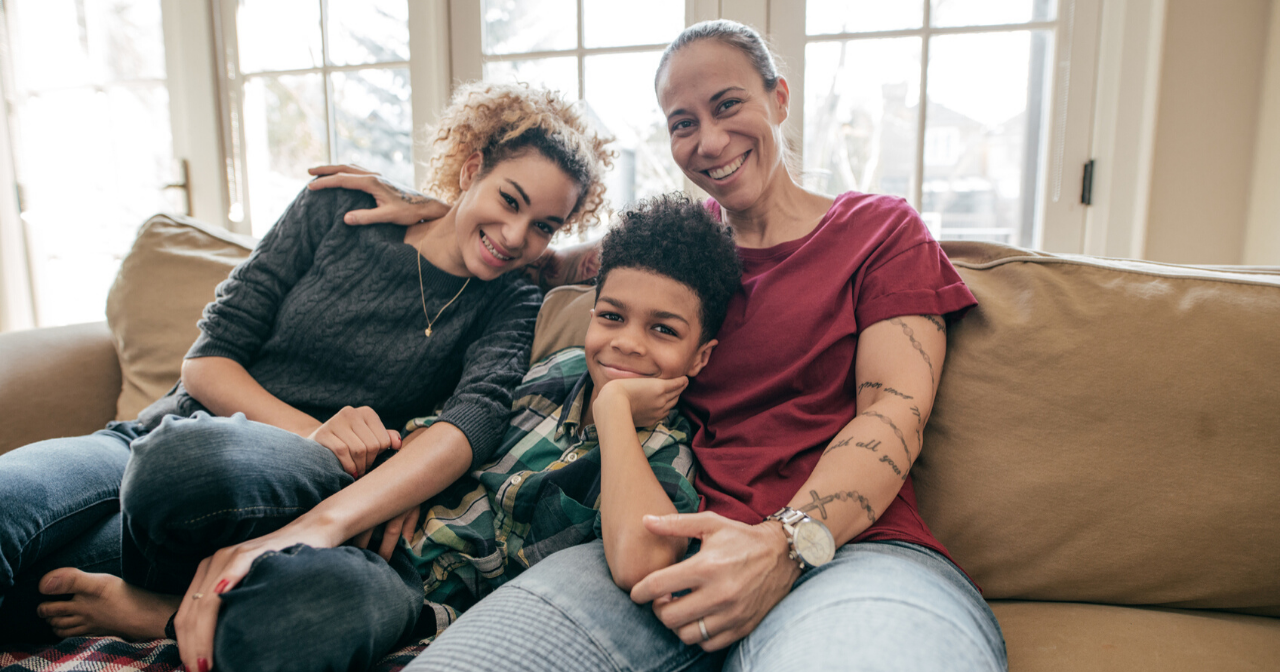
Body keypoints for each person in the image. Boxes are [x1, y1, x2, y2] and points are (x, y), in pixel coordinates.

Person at [313, 19, 1007, 672]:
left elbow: (893, 413)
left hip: (849, 553)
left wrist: (781, 545)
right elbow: (535, 252)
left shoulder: (879, 231)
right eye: (683, 124)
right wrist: (428, 207)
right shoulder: (680, 252)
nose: (708, 141)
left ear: (779, 98)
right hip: (652, 546)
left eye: (728, 105)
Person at [0, 81, 612, 672]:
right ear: (470, 167)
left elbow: (471, 422)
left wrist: (337, 467)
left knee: (82, 553)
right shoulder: (340, 208)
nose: (515, 236)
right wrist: (318, 433)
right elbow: (207, 360)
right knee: (22, 506)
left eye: (544, 225)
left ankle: (162, 609)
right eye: (509, 199)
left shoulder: (510, 301)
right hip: (164, 437)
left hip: (297, 492)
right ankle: (172, 594)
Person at [402, 192, 741, 637]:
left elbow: (643, 565)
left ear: (700, 357)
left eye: (663, 329)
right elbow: (447, 424)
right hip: (396, 555)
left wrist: (614, 410)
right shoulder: (552, 371)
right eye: (612, 316)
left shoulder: (667, 453)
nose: (628, 343)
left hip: (442, 621)